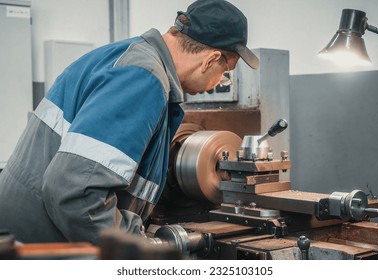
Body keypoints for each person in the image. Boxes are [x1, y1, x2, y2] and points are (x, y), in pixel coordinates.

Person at [0, 0, 259, 245]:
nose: (219, 82)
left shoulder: (125, 55)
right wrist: (135, 252)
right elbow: (77, 192)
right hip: (41, 246)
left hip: (24, 232)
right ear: (211, 59)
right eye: (226, 74)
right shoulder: (143, 79)